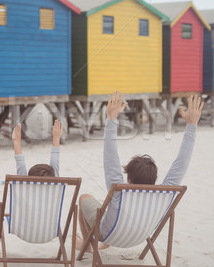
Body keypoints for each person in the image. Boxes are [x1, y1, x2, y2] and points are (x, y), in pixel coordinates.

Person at [78, 92, 204, 252]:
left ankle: (87, 246)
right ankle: (98, 244)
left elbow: (110, 158)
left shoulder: (119, 190)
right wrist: (192, 125)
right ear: (154, 178)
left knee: (84, 198)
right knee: (113, 210)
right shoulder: (166, 192)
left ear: (128, 177)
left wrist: (111, 119)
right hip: (141, 237)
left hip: (109, 234)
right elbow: (182, 162)